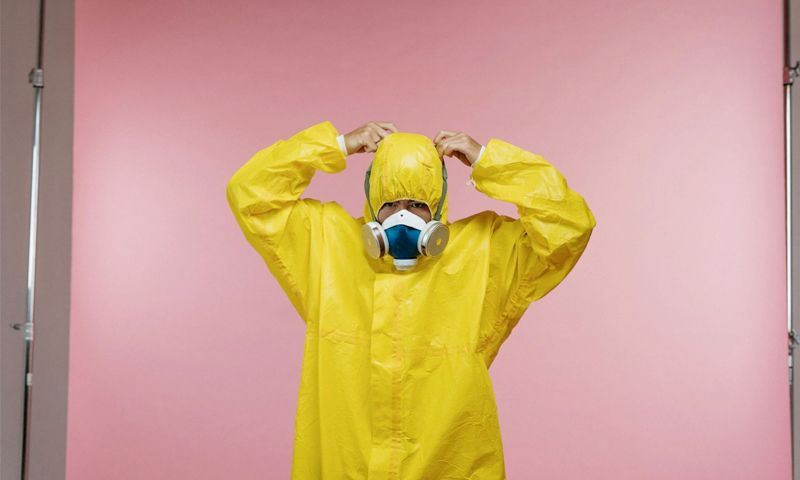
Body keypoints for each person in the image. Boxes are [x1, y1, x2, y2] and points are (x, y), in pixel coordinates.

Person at [226, 120, 596, 479]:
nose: (403, 217)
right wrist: (337, 146)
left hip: (450, 463)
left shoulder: (483, 252)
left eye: (418, 204)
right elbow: (251, 193)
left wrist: (487, 161)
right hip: (347, 462)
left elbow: (569, 226)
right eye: (390, 204)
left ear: (438, 208)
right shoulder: (326, 244)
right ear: (371, 203)